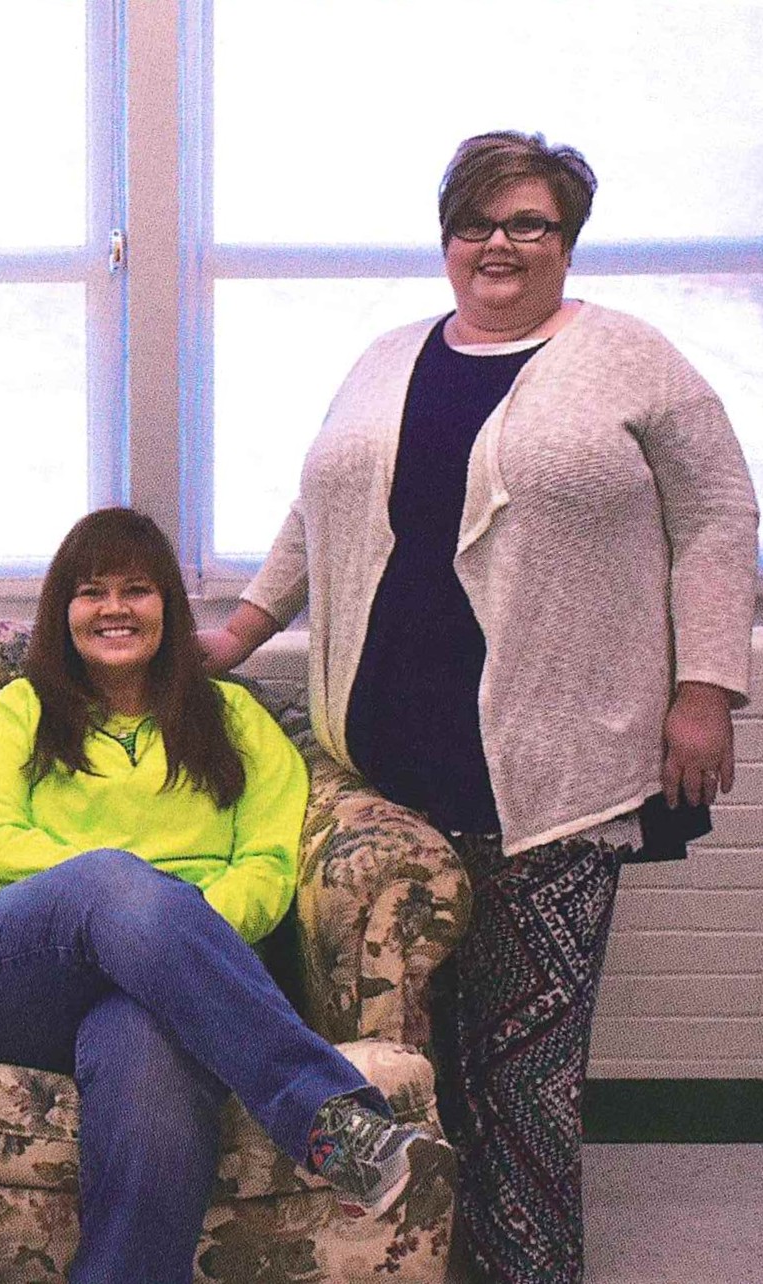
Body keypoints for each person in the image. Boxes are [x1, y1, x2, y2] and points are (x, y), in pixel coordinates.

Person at [198, 132, 759, 1284]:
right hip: (389, 764)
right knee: (416, 1058)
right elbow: (316, 513)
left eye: (528, 223)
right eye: (475, 223)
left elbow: (718, 518)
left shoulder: (632, 358)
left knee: (528, 1060)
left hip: (558, 767)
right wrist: (243, 630)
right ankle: (425, 1260)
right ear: (447, 239)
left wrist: (705, 688)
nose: (498, 244)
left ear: (567, 239)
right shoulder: (387, 357)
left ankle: (531, 1268)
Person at [0, 507, 455, 1284]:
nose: (114, 609)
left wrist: (165, 935)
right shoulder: (18, 712)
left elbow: (267, 865)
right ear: (63, 611)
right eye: (91, 592)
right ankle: (327, 1116)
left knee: (146, 1038)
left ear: (168, 606)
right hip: (3, 970)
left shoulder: (233, 718)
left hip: (175, 985)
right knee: (110, 883)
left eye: (136, 590)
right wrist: (137, 898)